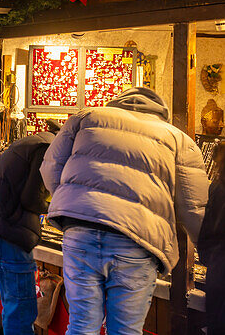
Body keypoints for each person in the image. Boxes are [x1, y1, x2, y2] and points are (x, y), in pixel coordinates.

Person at [41, 87, 207, 334]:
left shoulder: (86, 117)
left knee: (81, 325)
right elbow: (194, 207)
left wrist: (74, 202)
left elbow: (51, 168)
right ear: (161, 112)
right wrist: (207, 251)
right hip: (138, 241)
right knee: (126, 330)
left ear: (117, 103)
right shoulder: (178, 139)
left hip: (80, 234)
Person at [0, 122, 58, 335]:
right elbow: (31, 199)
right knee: (22, 305)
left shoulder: (37, 142)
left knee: (14, 301)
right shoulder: (46, 149)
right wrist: (57, 207)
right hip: (8, 228)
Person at [199, 142, 225, 335]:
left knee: (217, 323)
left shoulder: (217, 188)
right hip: (218, 260)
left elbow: (207, 229)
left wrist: (207, 257)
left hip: (219, 263)